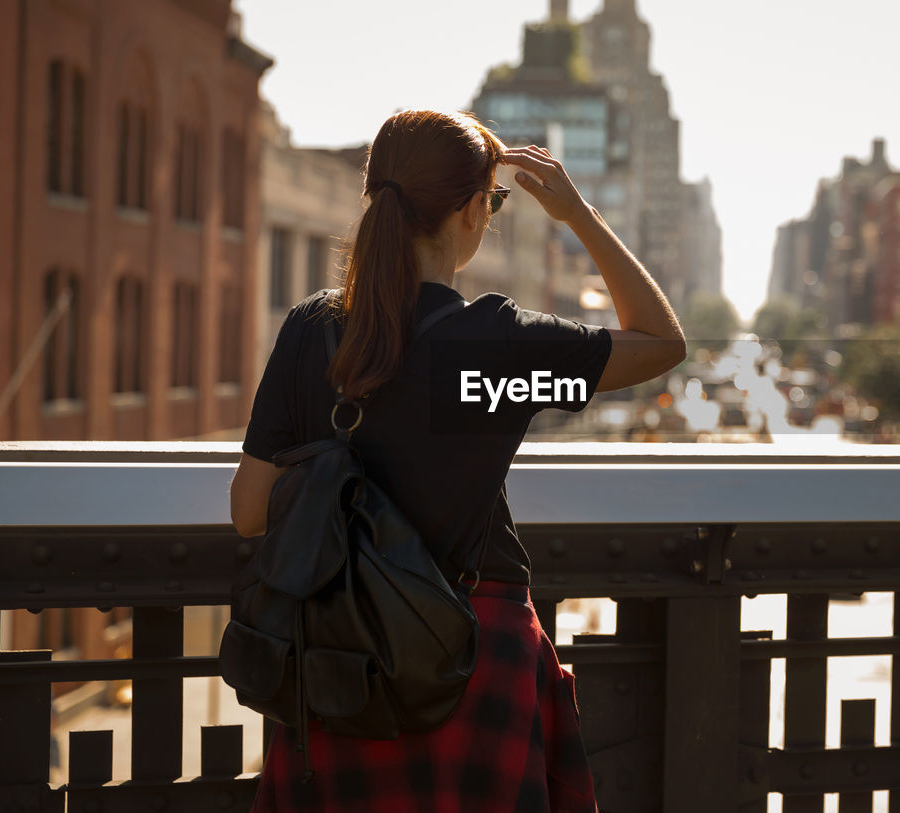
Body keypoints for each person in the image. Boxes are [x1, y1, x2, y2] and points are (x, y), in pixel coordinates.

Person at [228, 109, 685, 812]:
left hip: (335, 664)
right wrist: (579, 216)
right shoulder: (497, 353)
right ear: (475, 210)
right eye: (494, 201)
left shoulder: (311, 330)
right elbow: (660, 342)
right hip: (470, 664)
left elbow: (250, 510)